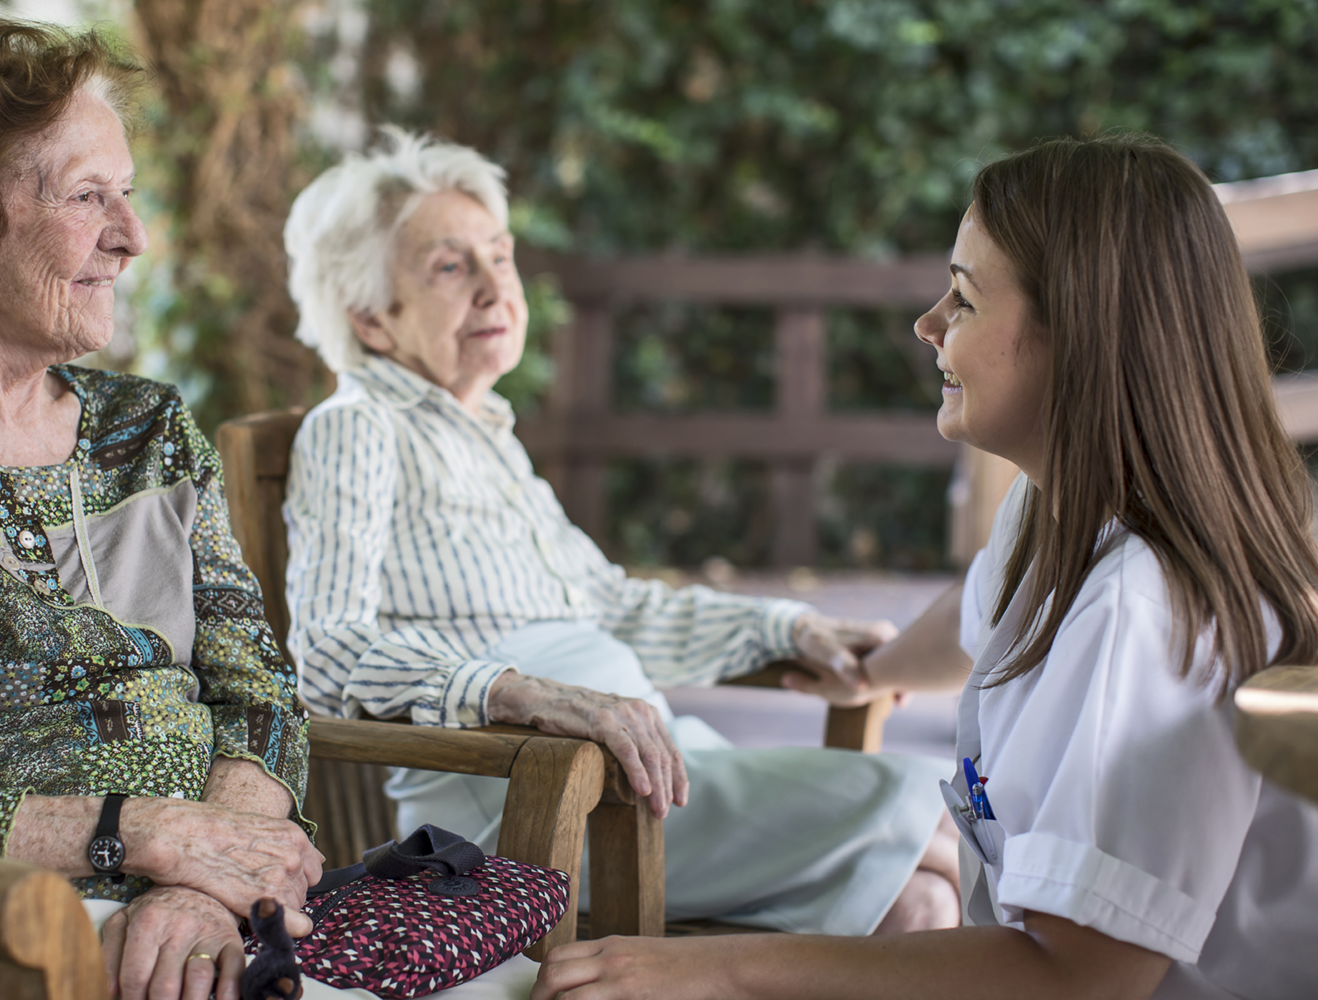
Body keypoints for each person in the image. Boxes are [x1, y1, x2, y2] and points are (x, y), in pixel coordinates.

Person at [0, 18, 531, 1000]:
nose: (131, 236)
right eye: (89, 196)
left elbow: (256, 690)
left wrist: (215, 876)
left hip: (227, 895)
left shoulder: (148, 426)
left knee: (530, 980)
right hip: (14, 915)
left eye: (126, 196)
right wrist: (152, 836)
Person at [531, 134, 1318, 1000]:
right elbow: (976, 614)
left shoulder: (1144, 611)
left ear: (1081, 338)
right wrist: (870, 671)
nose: (928, 323)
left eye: (966, 298)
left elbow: (1077, 980)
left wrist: (719, 969)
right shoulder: (1057, 510)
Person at [280, 128, 960, 938]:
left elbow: (614, 607)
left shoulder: (486, 436)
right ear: (372, 320)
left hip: (641, 777)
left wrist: (790, 627)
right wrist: (524, 694)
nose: (499, 288)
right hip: (529, 806)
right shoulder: (358, 425)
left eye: (501, 256)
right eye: (451, 266)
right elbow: (325, 649)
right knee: (929, 816)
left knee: (921, 904)